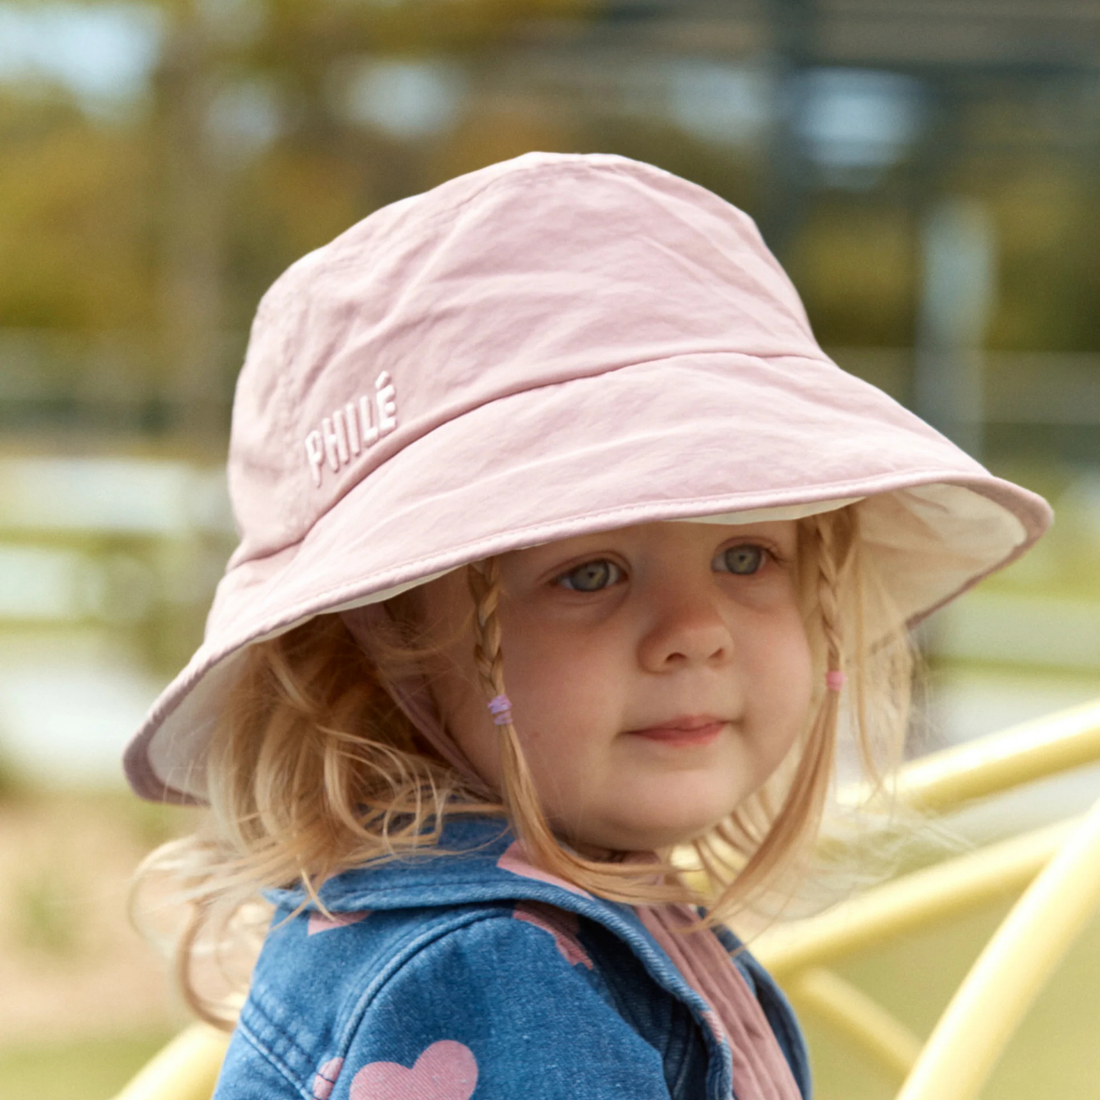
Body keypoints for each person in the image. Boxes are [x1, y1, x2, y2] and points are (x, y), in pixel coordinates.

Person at [126, 152, 1051, 1100]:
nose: (696, 632)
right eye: (589, 573)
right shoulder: (491, 975)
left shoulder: (552, 921)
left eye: (746, 556)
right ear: (380, 646)